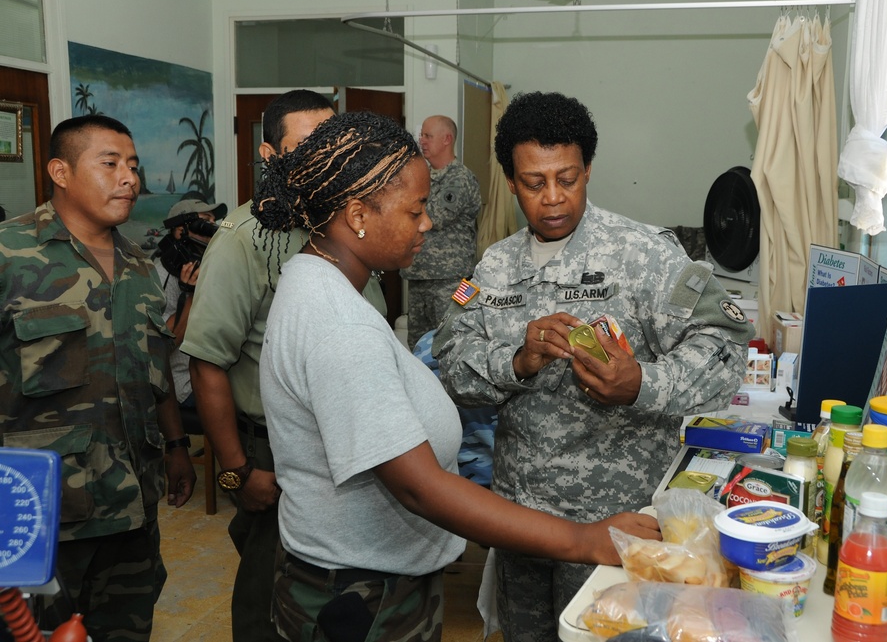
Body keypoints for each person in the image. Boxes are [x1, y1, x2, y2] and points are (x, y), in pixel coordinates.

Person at [252, 111, 660, 642]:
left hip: (366, 576)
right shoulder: (338, 322)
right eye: (416, 209)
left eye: (567, 178)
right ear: (357, 215)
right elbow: (422, 489)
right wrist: (585, 540)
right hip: (360, 595)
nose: (427, 223)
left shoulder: (317, 285)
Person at [434, 91, 756, 642]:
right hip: (523, 527)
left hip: (619, 529)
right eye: (535, 183)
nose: (554, 198)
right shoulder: (490, 270)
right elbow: (447, 361)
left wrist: (642, 384)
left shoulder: (646, 255)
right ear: (510, 182)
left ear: (589, 171)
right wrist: (517, 360)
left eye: (569, 178)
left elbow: (726, 347)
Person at [179, 90, 386, 642]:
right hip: (275, 455)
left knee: (342, 607)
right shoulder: (244, 239)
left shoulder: (353, 225)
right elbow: (207, 364)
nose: (327, 157)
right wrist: (236, 472)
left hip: (350, 452)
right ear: (271, 156)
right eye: (308, 146)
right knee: (269, 607)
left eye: (335, 143)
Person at [0, 114, 196, 641]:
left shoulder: (138, 266)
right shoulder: (8, 255)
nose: (129, 178)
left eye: (133, 165)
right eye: (110, 164)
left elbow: (152, 376)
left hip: (133, 508)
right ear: (60, 172)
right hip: (41, 518)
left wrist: (177, 446)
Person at [399, 115, 482, 350]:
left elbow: (432, 217)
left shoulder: (460, 178)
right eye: (421, 135)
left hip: (450, 280)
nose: (422, 141)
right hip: (418, 276)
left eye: (428, 136)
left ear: (447, 139)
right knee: (417, 347)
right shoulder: (421, 175)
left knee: (450, 345)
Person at [153, 196, 227, 407]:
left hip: (214, 373)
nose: (211, 226)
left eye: (213, 220)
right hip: (184, 386)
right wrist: (191, 294)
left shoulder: (206, 266)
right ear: (179, 230)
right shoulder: (161, 275)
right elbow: (167, 344)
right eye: (204, 221)